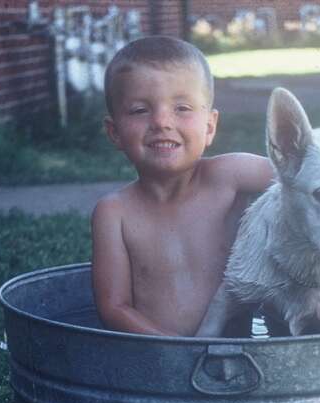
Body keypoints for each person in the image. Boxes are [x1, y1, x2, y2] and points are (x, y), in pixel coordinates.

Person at [91, 36, 274, 336]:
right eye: (139, 110)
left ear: (210, 126)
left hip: (239, 355)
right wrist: (178, 352)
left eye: (182, 108)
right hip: (157, 364)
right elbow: (114, 307)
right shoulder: (114, 213)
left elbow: (301, 175)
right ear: (114, 133)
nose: (162, 121)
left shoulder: (229, 176)